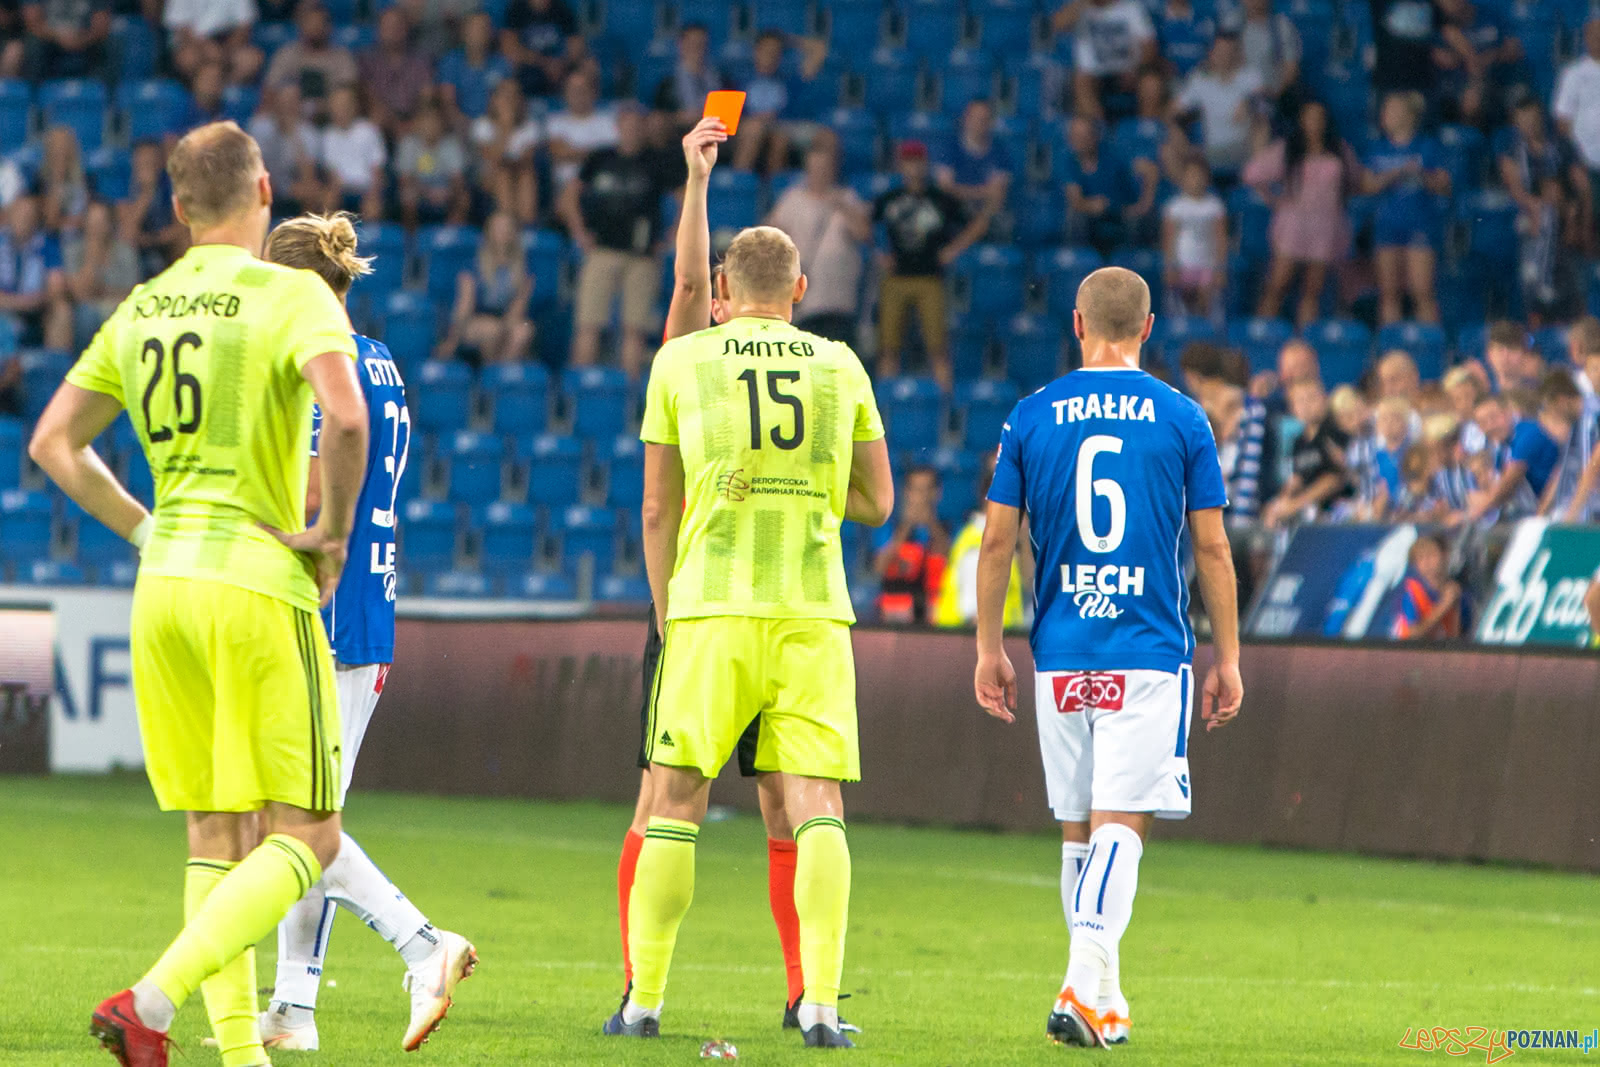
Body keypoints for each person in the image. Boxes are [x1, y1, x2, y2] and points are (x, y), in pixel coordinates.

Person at [28, 120, 368, 1067]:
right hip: (257, 580)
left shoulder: (141, 307)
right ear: (265, 190)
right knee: (311, 831)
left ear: (177, 208)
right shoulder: (294, 292)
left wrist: (144, 527)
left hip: (162, 585)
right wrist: (330, 534)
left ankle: (238, 1056)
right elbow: (347, 417)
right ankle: (152, 996)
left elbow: (53, 444)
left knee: (214, 833)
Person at [606, 222, 893, 1049]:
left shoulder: (684, 360)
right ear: (801, 290)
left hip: (709, 608)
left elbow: (658, 506)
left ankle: (643, 1003)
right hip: (810, 614)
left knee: (674, 796)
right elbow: (877, 500)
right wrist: (806, 486)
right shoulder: (840, 365)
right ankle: (822, 1009)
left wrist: (665, 605)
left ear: (724, 291)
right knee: (815, 803)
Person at [972, 265, 1241, 1048]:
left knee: (1079, 828)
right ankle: (1079, 984)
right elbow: (1214, 547)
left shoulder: (1030, 415)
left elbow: (996, 540)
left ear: (1078, 324)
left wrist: (989, 646)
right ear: (1149, 329)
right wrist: (1227, 654)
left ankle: (1104, 998)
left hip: (1061, 649)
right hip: (1147, 647)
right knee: (1124, 819)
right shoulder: (1184, 417)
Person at [254, 212, 476, 1054]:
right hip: (369, 596)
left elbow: (314, 497)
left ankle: (425, 946)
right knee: (307, 815)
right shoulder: (380, 357)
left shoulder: (323, 364)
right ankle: (294, 1008)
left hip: (329, 604)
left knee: (301, 825)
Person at [563, 103, 673, 377]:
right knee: (588, 324)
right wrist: (579, 232)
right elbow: (568, 197)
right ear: (618, 127)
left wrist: (671, 238)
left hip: (642, 255)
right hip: (602, 249)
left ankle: (627, 397)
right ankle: (581, 392)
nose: (633, 131)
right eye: (628, 124)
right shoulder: (600, 158)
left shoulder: (656, 161)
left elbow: (687, 200)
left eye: (638, 125)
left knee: (634, 329)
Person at [873, 140, 993, 388]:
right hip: (897, 278)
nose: (913, 168)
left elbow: (978, 224)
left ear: (925, 165)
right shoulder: (889, 199)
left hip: (931, 279)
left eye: (917, 162)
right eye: (908, 162)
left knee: (938, 349)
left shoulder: (941, 200)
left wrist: (953, 249)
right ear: (900, 165)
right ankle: (884, 411)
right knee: (888, 349)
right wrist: (877, 252)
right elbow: (865, 223)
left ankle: (945, 409)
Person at [1243, 99, 1354, 326]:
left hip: (1326, 226)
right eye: (1309, 117)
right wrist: (1273, 199)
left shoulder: (1339, 150)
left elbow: (1356, 180)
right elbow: (1252, 173)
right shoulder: (1288, 149)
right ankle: (1261, 334)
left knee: (1313, 289)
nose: (1315, 123)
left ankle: (1304, 341)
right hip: (1293, 224)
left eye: (1319, 117)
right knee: (1277, 284)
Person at [764, 140, 870, 346]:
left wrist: (842, 207)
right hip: (805, 305)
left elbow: (864, 234)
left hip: (839, 303)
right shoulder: (792, 200)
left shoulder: (847, 198)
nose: (820, 173)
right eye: (816, 168)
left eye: (825, 168)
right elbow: (769, 238)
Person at [1362, 91, 1450, 325]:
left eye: (1392, 110)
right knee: (1389, 293)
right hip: (1388, 224)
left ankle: (1429, 345)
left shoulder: (1427, 146)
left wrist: (1420, 174)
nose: (1386, 115)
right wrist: (1396, 173)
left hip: (1421, 223)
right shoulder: (1378, 148)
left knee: (1422, 291)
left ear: (1408, 115)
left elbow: (1444, 184)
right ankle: (1391, 346)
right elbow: (1367, 185)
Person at [934, 451, 1030, 628]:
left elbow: (1030, 584)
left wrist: (1023, 534)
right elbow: (977, 619)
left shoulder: (999, 539)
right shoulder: (978, 544)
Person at [437, 210, 534, 363]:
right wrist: (452, 339)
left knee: (523, 330)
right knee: (491, 330)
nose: (503, 233)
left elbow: (517, 310)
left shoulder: (524, 270)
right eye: (498, 228)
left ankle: (502, 375)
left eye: (507, 228)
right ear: (489, 232)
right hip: (474, 321)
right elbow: (464, 308)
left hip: (505, 320)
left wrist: (504, 326)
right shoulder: (472, 267)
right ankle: (489, 375)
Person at [1171, 33, 1264, 182]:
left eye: (1229, 52)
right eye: (1220, 52)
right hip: (1211, 150)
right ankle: (1189, 195)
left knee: (1261, 124)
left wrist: (1250, 102)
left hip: (1243, 146)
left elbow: (1266, 105)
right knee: (1171, 140)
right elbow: (1175, 111)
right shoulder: (1200, 79)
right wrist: (1188, 121)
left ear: (1237, 54)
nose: (1225, 56)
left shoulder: (1250, 77)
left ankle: (1257, 183)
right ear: (1211, 54)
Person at [1465, 386, 1566, 523]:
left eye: (1493, 417)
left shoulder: (1529, 432)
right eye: (1483, 423)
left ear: (1508, 412)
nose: (1490, 426)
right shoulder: (1500, 448)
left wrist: (1480, 507)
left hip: (1561, 509)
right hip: (1534, 512)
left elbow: (1509, 481)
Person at [1261, 378, 1350, 526]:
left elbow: (1335, 479)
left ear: (1324, 400)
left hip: (1337, 510)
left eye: (1312, 398)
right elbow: (1297, 479)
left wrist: (1296, 505)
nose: (1306, 405)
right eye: (1300, 401)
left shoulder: (1333, 433)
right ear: (1292, 408)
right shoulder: (1299, 441)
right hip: (1309, 510)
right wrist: (1280, 503)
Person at [1052, 0, 1158, 120]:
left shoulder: (1131, 7)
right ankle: (1098, 129)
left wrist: (1137, 70)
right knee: (1080, 81)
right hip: (1095, 74)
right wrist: (1081, 4)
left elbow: (1149, 45)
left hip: (1129, 70)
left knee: (1151, 84)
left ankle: (1145, 131)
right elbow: (1056, 25)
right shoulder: (1080, 9)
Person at [872, 464, 951, 624]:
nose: (921, 496)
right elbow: (879, 568)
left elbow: (951, 559)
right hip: (894, 616)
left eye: (926, 490)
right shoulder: (890, 527)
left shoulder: (945, 527)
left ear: (937, 493)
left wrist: (930, 522)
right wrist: (906, 525)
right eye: (915, 490)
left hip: (934, 616)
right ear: (906, 492)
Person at [262, 1, 358, 121]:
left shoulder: (342, 57)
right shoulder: (286, 54)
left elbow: (350, 95)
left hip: (333, 123)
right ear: (301, 26)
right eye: (311, 23)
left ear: (328, 27)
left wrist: (318, 107)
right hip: (291, 122)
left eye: (320, 23)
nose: (315, 28)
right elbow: (270, 90)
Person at [0, 194, 72, 350]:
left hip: (36, 312)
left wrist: (30, 303)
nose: (23, 220)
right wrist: (19, 303)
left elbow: (56, 288)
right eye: (19, 214)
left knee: (62, 310)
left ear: (35, 220)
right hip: (4, 309)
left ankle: (55, 368)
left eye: (28, 216)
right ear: (10, 216)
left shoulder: (47, 245)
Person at [63, 200, 139, 347]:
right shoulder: (72, 251)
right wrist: (92, 257)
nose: (96, 228)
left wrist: (102, 292)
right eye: (92, 222)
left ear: (110, 224)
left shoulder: (126, 251)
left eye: (101, 222)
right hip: (86, 309)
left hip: (118, 306)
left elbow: (133, 292)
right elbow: (80, 294)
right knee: (86, 314)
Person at [1161, 154, 1227, 320]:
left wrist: (1220, 268)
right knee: (1181, 306)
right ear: (1182, 178)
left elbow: (1220, 239)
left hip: (1207, 265)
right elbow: (1169, 240)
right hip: (1183, 265)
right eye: (1191, 176)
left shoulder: (1214, 206)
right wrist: (1170, 266)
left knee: (1206, 302)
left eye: (1199, 176)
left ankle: (1205, 336)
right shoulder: (1174, 207)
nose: (1195, 180)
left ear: (1207, 179)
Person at [1554, 19, 1600, 248]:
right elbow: (1563, 122)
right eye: (1594, 34)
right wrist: (1575, 159)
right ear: (1586, 38)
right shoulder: (1573, 74)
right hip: (1583, 161)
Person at [471, 78, 541, 224]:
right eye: (505, 95)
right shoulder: (481, 125)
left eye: (514, 95)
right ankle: (510, 227)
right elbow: (492, 159)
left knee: (525, 174)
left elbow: (527, 159)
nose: (509, 100)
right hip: (488, 177)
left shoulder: (530, 126)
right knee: (503, 174)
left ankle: (527, 226)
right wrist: (505, 126)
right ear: (494, 99)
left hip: (520, 175)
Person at [249, 84, 325, 218]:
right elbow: (256, 164)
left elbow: (308, 173)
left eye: (293, 101)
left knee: (311, 190)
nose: (288, 105)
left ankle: (304, 233)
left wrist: (293, 135)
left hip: (293, 181)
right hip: (266, 179)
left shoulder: (309, 132)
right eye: (285, 100)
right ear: (277, 101)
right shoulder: (260, 126)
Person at [358, 8, 434, 137]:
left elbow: (427, 96)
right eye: (387, 26)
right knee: (373, 121)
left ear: (406, 29)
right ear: (379, 30)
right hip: (382, 116)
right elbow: (367, 95)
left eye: (397, 25)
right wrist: (393, 123)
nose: (393, 30)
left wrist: (413, 122)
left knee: (430, 122)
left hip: (412, 116)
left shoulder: (421, 61)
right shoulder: (368, 60)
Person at [316, 86, 387, 220]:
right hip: (341, 188)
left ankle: (371, 239)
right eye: (336, 106)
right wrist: (335, 189)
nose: (340, 110)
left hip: (366, 187)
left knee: (372, 207)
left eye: (344, 105)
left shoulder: (369, 131)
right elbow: (331, 173)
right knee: (327, 201)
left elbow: (377, 170)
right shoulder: (328, 135)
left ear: (354, 107)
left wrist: (373, 194)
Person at [396, 102, 471, 228]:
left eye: (434, 121)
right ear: (418, 124)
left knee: (464, 198)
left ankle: (448, 235)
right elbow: (405, 179)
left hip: (444, 189)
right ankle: (411, 240)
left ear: (442, 124)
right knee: (407, 195)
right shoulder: (408, 144)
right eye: (426, 121)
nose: (430, 126)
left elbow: (458, 180)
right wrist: (427, 192)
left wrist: (447, 192)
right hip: (419, 189)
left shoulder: (451, 144)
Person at [545, 69, 619, 194]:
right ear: (565, 94)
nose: (578, 94)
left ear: (593, 92)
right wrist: (598, 153)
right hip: (565, 187)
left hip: (604, 185)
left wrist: (575, 152)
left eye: (582, 90)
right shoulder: (554, 122)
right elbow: (558, 152)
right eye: (573, 90)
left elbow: (616, 155)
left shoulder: (609, 122)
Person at [936, 99, 1013, 213]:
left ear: (991, 122)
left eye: (984, 119)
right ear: (965, 119)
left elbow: (998, 194)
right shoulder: (949, 147)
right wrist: (983, 192)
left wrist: (960, 191)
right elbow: (944, 188)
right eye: (974, 117)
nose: (979, 123)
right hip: (953, 211)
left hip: (986, 215)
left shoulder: (1000, 152)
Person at [163, 0, 263, 86]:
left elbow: (244, 26)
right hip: (193, 44)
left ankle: (226, 96)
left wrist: (225, 50)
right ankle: (200, 99)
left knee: (251, 59)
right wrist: (206, 47)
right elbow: (181, 29)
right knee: (188, 59)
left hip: (227, 42)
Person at [438, 11, 512, 124]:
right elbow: (448, 102)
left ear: (490, 33)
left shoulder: (502, 64)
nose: (478, 33)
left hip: (492, 124)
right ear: (463, 32)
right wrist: (462, 123)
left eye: (483, 28)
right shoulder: (450, 62)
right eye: (473, 28)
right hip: (459, 125)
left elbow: (506, 101)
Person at [501, 0, 584, 99]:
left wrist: (562, 63)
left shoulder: (562, 8)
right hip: (530, 66)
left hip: (560, 65)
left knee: (585, 69)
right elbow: (509, 47)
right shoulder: (517, 9)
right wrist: (545, 63)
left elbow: (576, 44)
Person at [1389, 534, 1461, 639]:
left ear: (1445, 556)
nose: (1427, 562)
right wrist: (1444, 605)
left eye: (1431, 555)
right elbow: (1413, 634)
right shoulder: (1410, 592)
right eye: (1421, 558)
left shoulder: (1455, 590)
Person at [653, 22, 725, 127]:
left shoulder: (721, 80)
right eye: (692, 43)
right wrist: (679, 117)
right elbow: (659, 115)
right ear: (681, 45)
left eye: (701, 43)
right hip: (677, 130)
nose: (696, 48)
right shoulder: (667, 83)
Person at [22, 0, 112, 81]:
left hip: (86, 42)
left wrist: (79, 40)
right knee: (34, 45)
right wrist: (61, 38)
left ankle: (105, 94)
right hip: (50, 42)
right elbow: (33, 23)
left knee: (111, 43)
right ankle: (33, 95)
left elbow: (100, 26)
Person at [39, 124, 88, 233]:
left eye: (64, 146)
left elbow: (89, 220)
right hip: (51, 241)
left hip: (82, 239)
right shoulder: (38, 182)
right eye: (55, 146)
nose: (60, 151)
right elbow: (50, 221)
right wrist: (57, 179)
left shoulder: (87, 180)